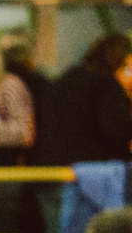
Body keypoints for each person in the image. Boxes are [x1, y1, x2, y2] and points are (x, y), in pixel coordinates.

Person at [38, 33, 132, 166]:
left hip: (56, 166)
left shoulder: (66, 79)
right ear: (118, 62)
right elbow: (117, 130)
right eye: (128, 69)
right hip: (94, 168)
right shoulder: (106, 86)